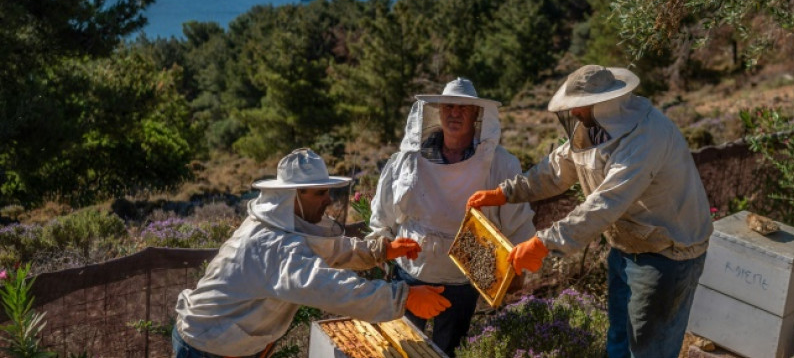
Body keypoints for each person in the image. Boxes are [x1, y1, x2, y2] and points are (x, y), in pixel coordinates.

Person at [468, 65, 713, 358]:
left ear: (605, 104)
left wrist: (543, 242)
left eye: (580, 106)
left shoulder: (646, 138)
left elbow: (604, 204)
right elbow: (556, 170)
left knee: (648, 351)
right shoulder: (594, 126)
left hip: (667, 253)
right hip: (626, 247)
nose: (573, 113)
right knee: (619, 339)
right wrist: (505, 193)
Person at [174, 148, 450, 358]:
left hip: (232, 341)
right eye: (319, 193)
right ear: (293, 195)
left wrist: (381, 249)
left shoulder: (289, 224)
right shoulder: (272, 245)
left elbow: (329, 248)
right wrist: (404, 297)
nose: (328, 200)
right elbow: (330, 288)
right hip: (206, 347)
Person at [369, 77, 536, 357]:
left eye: (463, 108)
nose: (454, 113)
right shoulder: (408, 159)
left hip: (463, 276)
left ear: (477, 113)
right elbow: (383, 211)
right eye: (449, 106)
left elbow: (516, 217)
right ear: (438, 111)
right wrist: (380, 247)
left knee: (449, 351)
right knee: (403, 349)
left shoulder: (500, 163)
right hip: (411, 271)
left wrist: (517, 269)